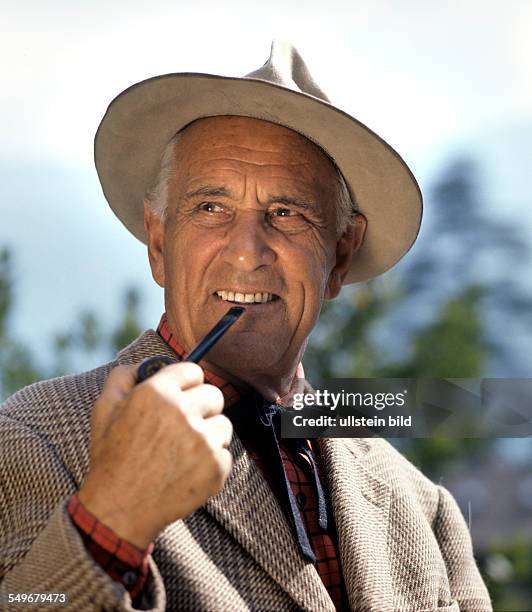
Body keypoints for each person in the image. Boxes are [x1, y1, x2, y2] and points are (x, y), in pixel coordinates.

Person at [0, 41, 492, 612]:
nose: (246, 252)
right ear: (159, 244)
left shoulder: (421, 508)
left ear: (338, 258)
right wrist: (109, 521)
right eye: (212, 209)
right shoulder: (32, 441)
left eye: (287, 214)